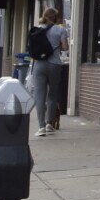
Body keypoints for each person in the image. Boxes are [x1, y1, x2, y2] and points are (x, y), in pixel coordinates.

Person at [27, 7, 70, 137]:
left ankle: (41, 127)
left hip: (39, 64)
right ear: (55, 18)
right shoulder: (61, 30)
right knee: (52, 94)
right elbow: (65, 47)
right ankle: (49, 124)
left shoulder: (36, 29)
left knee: (39, 96)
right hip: (54, 64)